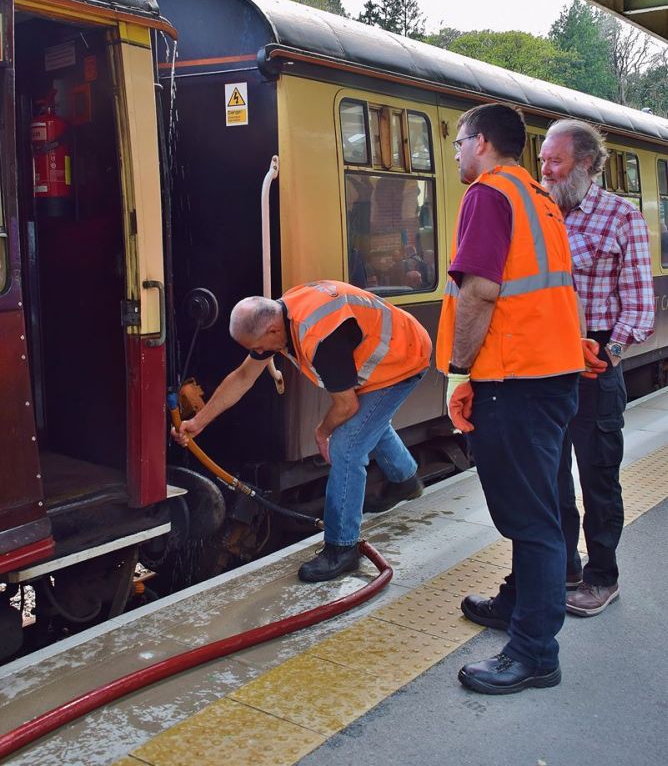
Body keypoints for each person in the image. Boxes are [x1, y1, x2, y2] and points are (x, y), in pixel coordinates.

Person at [436, 102, 586, 695]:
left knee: (532, 522)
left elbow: (480, 292)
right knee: (543, 505)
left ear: (481, 144)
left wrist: (458, 371)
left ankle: (534, 652)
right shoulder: (539, 200)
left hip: (516, 382)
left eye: (457, 141)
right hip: (551, 376)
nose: (454, 153)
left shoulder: (488, 195)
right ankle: (518, 602)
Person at [173, 280, 431, 582]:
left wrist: (322, 432)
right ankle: (405, 479)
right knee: (367, 426)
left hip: (403, 360)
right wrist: (198, 422)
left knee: (346, 446)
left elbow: (347, 406)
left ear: (271, 331)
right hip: (386, 352)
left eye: (256, 347)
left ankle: (342, 548)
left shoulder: (321, 338)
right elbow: (244, 376)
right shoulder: (280, 315)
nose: (257, 353)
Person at [540, 119, 655, 616]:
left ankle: (602, 577)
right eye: (542, 159)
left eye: (555, 161)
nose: (544, 169)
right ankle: (562, 566)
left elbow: (640, 306)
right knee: (550, 477)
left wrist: (607, 353)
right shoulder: (538, 213)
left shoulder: (621, 218)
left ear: (585, 164)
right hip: (542, 366)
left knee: (598, 476)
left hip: (593, 365)